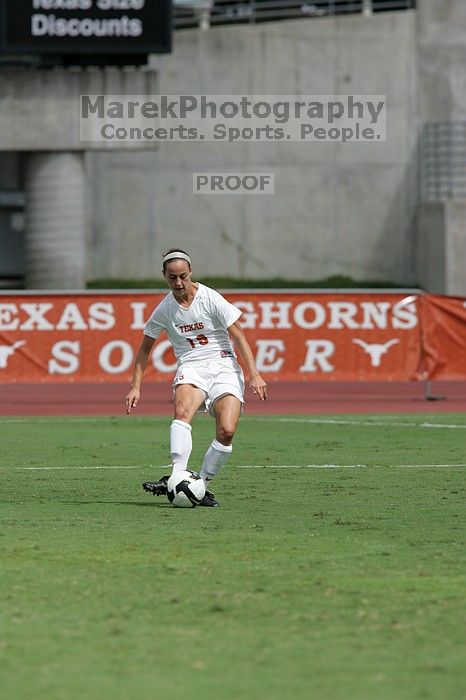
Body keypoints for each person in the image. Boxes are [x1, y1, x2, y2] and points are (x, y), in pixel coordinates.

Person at [125, 248, 267, 507]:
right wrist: (135, 387)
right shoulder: (165, 309)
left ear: (190, 272)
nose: (178, 283)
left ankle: (199, 486)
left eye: (182, 276)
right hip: (191, 366)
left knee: (227, 431)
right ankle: (178, 475)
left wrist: (254, 375)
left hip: (224, 365)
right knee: (182, 413)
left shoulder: (210, 298)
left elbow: (239, 336)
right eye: (172, 278)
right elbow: (145, 348)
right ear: (164, 276)